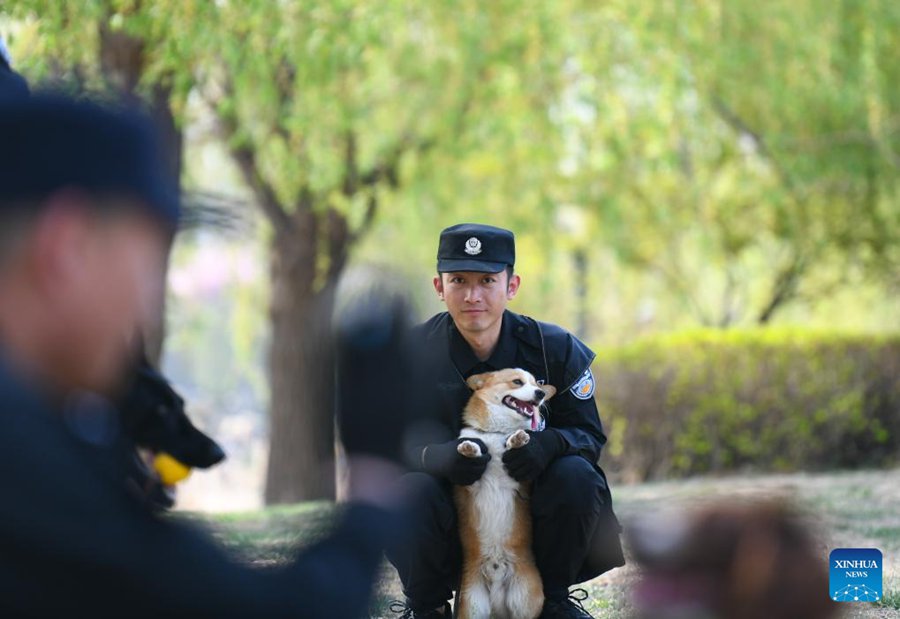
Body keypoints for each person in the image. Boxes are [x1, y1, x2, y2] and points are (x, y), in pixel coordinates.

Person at [0, 93, 409, 617]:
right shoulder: (26, 467)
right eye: (149, 264)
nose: (148, 304)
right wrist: (374, 483)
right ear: (68, 244)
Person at [387, 224, 625, 619]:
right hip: (449, 519)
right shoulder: (410, 354)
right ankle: (425, 607)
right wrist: (438, 458)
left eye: (487, 280)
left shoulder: (555, 349)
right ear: (438, 286)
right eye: (458, 280)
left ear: (511, 285)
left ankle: (552, 601)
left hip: (530, 520)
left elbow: (589, 435)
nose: (472, 295)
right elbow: (386, 447)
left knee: (578, 477)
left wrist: (550, 445)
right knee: (405, 490)